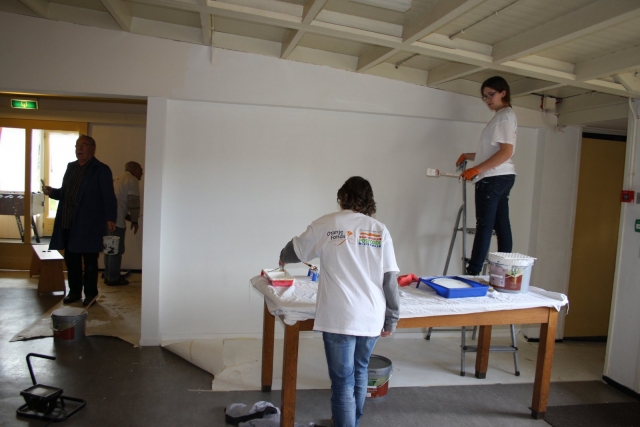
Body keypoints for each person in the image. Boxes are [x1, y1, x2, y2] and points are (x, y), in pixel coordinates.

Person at [278, 176, 399, 427]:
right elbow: (390, 280)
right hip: (371, 316)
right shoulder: (379, 229)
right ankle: (351, 422)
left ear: (342, 197)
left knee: (343, 382)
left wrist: (283, 257)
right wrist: (392, 318)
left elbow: (295, 249)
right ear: (369, 201)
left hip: (339, 316)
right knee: (360, 371)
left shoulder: (327, 223)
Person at [43, 135, 117, 306]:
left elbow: (108, 196)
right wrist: (52, 192)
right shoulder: (71, 167)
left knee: (90, 261)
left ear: (93, 148)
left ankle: (91, 295)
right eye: (77, 145)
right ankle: (75, 292)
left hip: (89, 224)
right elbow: (66, 193)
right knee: (72, 261)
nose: (79, 148)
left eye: (83, 145)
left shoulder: (101, 169)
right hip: (68, 222)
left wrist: (110, 218)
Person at [457, 76, 517, 275]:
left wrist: (477, 170)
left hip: (493, 178)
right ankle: (505, 271)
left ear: (503, 92)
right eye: (485, 97)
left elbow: (505, 152)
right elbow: (492, 153)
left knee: (484, 226)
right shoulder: (504, 116)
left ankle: (473, 272)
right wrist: (468, 156)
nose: (488, 100)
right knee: (501, 225)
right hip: (502, 177)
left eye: (491, 94)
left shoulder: (504, 118)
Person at [103, 161, 143, 286]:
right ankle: (113, 278)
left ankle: (108, 274)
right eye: (141, 170)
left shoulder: (117, 179)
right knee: (116, 250)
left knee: (109, 248)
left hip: (107, 219)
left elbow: (119, 202)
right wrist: (135, 220)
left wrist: (129, 217)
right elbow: (133, 203)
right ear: (135, 170)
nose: (142, 173)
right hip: (117, 222)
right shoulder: (132, 180)